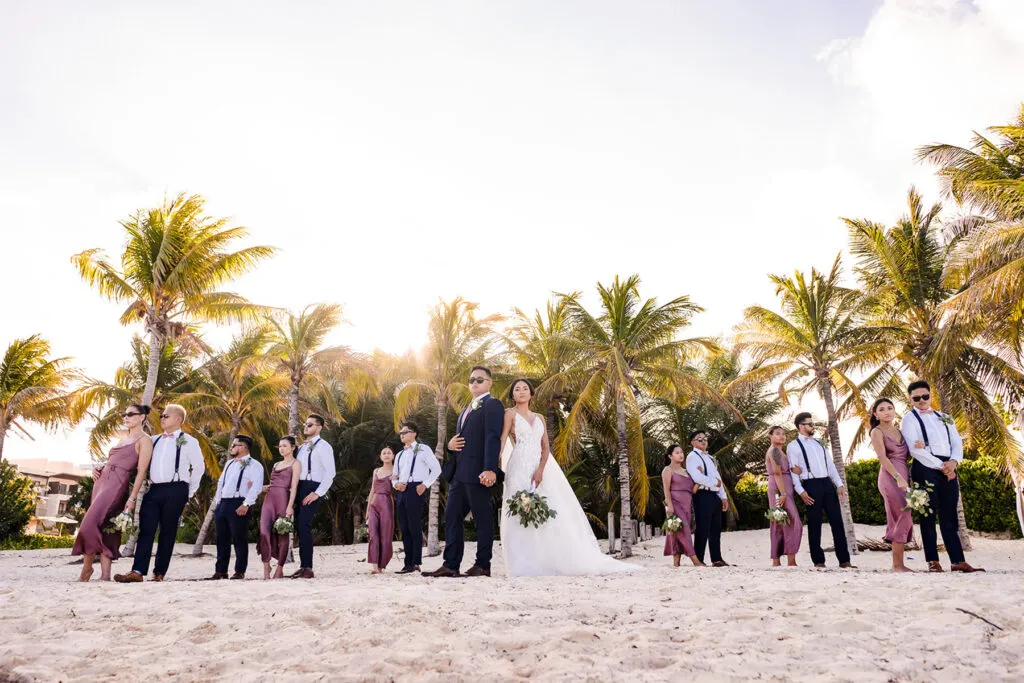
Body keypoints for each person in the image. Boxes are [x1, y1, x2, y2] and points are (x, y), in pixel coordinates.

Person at [499, 378, 639, 576]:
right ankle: (522, 562)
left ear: (531, 393)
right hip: (519, 466)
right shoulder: (509, 414)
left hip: (540, 467)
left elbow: (545, 448)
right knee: (520, 510)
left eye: (525, 388)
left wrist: (540, 470)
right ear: (512, 395)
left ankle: (547, 559)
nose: (521, 391)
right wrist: (493, 464)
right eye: (516, 389)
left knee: (545, 510)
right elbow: (503, 440)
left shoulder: (539, 417)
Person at [424, 366, 501, 578]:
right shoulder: (467, 408)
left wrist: (489, 468)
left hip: (478, 473)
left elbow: (492, 437)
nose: (474, 383)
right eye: (471, 380)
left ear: (489, 382)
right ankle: (450, 564)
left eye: (479, 379)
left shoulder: (493, 404)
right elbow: (462, 438)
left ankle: (483, 565)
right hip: (459, 474)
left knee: (483, 519)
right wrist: (449, 445)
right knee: (451, 517)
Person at [115, 404, 205, 583]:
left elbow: (199, 468)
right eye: (162, 416)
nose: (162, 418)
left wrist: (189, 492)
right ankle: (138, 571)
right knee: (146, 529)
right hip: (154, 489)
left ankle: (159, 573)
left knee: (168, 532)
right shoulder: (153, 440)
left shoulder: (189, 441)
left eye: (166, 416)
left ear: (178, 419)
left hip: (177, 489)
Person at [900, 381, 984, 573]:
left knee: (949, 515)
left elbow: (956, 442)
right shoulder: (909, 419)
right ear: (910, 399)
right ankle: (933, 561)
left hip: (950, 468)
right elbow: (915, 449)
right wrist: (942, 466)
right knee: (927, 515)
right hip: (925, 468)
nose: (921, 401)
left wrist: (953, 462)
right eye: (916, 398)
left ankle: (957, 561)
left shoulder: (946, 417)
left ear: (930, 395)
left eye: (925, 396)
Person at [73, 404, 153, 581]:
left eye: (131, 414)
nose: (126, 417)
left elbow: (141, 471)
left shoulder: (145, 440)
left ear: (142, 417)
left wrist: (132, 498)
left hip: (117, 485)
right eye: (125, 414)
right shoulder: (124, 438)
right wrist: (99, 468)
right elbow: (114, 460)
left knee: (89, 524)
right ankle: (105, 576)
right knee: (108, 528)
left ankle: (87, 569)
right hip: (101, 483)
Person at [786, 412, 854, 569]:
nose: (812, 426)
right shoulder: (793, 446)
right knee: (814, 524)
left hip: (826, 484)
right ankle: (818, 561)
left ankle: (844, 560)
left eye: (813, 423)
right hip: (810, 485)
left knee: (837, 522)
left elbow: (830, 465)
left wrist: (839, 484)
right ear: (800, 426)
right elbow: (793, 471)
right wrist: (801, 491)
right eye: (809, 424)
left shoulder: (819, 444)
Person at [207, 435, 264, 580]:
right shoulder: (229, 464)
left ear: (244, 447)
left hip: (240, 502)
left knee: (239, 538)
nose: (231, 448)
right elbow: (221, 483)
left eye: (234, 445)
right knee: (221, 539)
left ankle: (239, 571)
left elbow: (256, 486)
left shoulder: (255, 465)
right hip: (224, 503)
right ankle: (221, 571)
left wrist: (246, 504)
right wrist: (218, 501)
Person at [868, 398, 914, 572]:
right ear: (876, 414)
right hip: (890, 477)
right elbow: (882, 457)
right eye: (882, 409)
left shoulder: (900, 431)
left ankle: (899, 564)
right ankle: (897, 565)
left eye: (890, 408)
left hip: (904, 475)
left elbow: (908, 455)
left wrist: (918, 445)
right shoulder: (876, 431)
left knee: (905, 514)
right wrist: (898, 477)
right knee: (901, 514)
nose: (887, 411)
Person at [291, 414, 336, 579]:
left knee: (304, 525)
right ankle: (303, 566)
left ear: (319, 427)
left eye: (309, 425)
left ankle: (308, 567)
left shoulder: (324, 446)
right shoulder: (302, 447)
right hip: (299, 487)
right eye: (305, 424)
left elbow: (330, 472)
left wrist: (317, 493)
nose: (306, 427)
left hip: (313, 487)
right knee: (299, 527)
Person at [392, 424, 440, 574]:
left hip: (416, 489)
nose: (401, 435)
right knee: (404, 528)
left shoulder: (423, 449)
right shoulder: (400, 454)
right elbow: (394, 475)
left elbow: (437, 469)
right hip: (402, 491)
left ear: (413, 433)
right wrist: (396, 484)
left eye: (404, 432)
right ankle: (408, 563)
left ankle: (416, 562)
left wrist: (424, 485)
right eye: (400, 433)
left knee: (414, 527)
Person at [685, 430, 730, 567]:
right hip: (702, 495)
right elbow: (697, 477)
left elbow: (718, 477)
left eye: (705, 438)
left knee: (716, 528)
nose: (704, 441)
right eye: (700, 439)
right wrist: (714, 483)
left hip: (714, 495)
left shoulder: (709, 458)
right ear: (693, 442)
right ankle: (699, 559)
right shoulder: (692, 457)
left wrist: (723, 496)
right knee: (702, 527)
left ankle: (716, 558)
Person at [258, 436, 300, 579]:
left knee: (283, 533)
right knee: (264, 531)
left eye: (285, 446)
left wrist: (290, 507)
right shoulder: (275, 464)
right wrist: (260, 488)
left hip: (283, 500)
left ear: (293, 447)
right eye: (280, 446)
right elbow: (272, 483)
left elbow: (294, 487)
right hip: (269, 499)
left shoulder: (296, 464)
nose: (281, 448)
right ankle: (266, 565)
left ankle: (280, 568)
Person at [765, 426, 801, 567]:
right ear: (770, 436)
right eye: (777, 434)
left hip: (785, 488)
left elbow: (785, 470)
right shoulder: (773, 450)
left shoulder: (780, 451)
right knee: (789, 521)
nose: (782, 436)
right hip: (779, 489)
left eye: (783, 434)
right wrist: (783, 493)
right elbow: (777, 472)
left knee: (783, 522)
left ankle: (780, 560)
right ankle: (786, 560)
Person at [661, 444, 702, 567]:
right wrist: (670, 506)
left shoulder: (687, 472)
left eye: (682, 452)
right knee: (683, 532)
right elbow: (666, 490)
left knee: (675, 533)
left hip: (687, 506)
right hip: (673, 504)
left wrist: (700, 477)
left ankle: (676, 563)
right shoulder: (667, 470)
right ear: (670, 456)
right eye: (677, 452)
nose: (681, 454)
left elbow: (693, 491)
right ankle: (696, 561)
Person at [366, 446, 398, 574]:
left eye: (389, 453)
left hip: (386, 504)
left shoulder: (396, 471)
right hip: (374, 504)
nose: (386, 455)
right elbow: (372, 491)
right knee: (373, 534)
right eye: (384, 453)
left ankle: (381, 565)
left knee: (385, 536)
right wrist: (368, 510)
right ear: (380, 456)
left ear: (393, 456)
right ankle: (374, 566)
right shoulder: (376, 471)